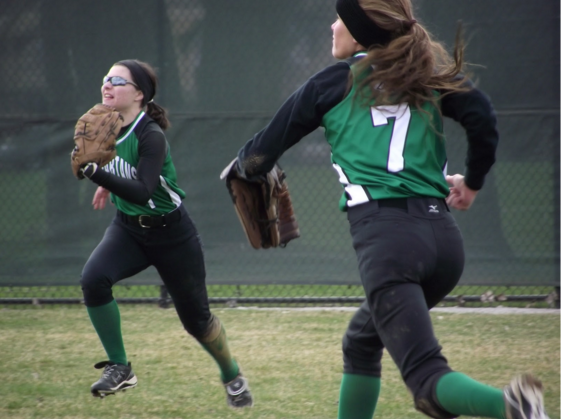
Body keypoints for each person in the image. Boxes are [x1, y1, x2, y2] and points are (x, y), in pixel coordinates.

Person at [230, 0, 550, 418]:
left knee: (426, 381)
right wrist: (471, 184)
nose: (332, 25)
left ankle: (512, 406)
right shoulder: (424, 76)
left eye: (341, 19)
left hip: (388, 241)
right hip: (444, 243)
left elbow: (257, 159)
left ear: (361, 34)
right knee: (362, 341)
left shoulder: (332, 84)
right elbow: (482, 116)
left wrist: (241, 167)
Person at [77, 59, 253, 408]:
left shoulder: (150, 135)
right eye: (105, 79)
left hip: (172, 235)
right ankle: (120, 366)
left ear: (139, 94)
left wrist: (97, 175)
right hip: (129, 230)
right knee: (93, 279)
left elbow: (143, 190)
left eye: (117, 81)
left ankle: (231, 373)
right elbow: (123, 177)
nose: (107, 85)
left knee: (197, 322)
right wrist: (109, 184)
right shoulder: (104, 125)